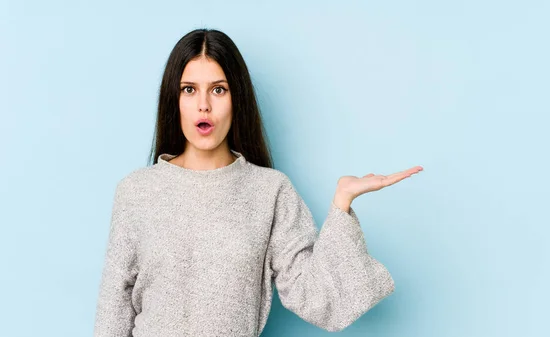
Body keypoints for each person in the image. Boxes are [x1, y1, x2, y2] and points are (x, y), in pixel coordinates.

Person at [93, 28, 423, 337]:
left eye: (218, 89)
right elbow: (113, 314)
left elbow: (316, 296)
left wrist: (342, 202)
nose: (203, 104)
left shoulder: (269, 192)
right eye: (189, 89)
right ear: (173, 99)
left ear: (237, 99)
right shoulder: (136, 192)